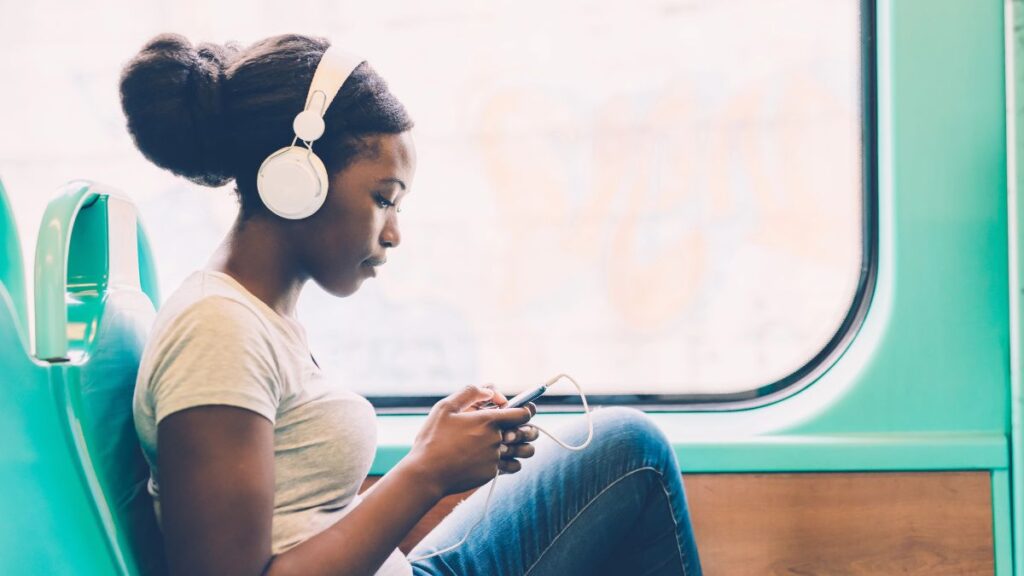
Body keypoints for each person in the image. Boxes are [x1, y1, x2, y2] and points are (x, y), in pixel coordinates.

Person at [122, 33, 703, 576]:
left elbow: (303, 524)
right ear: (295, 180)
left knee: (626, 447)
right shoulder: (216, 329)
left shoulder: (261, 318)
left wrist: (439, 447)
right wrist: (427, 472)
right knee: (636, 453)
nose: (394, 234)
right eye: (383, 199)